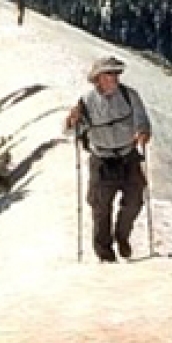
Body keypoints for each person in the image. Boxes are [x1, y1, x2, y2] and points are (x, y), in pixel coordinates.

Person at [66, 55, 151, 262]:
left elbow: (143, 122)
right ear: (98, 78)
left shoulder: (130, 96)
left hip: (128, 156)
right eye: (109, 74)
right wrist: (72, 121)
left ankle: (122, 236)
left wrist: (143, 132)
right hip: (102, 159)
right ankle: (105, 254)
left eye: (116, 73)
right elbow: (71, 132)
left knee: (135, 201)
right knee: (101, 208)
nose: (114, 78)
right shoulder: (86, 102)